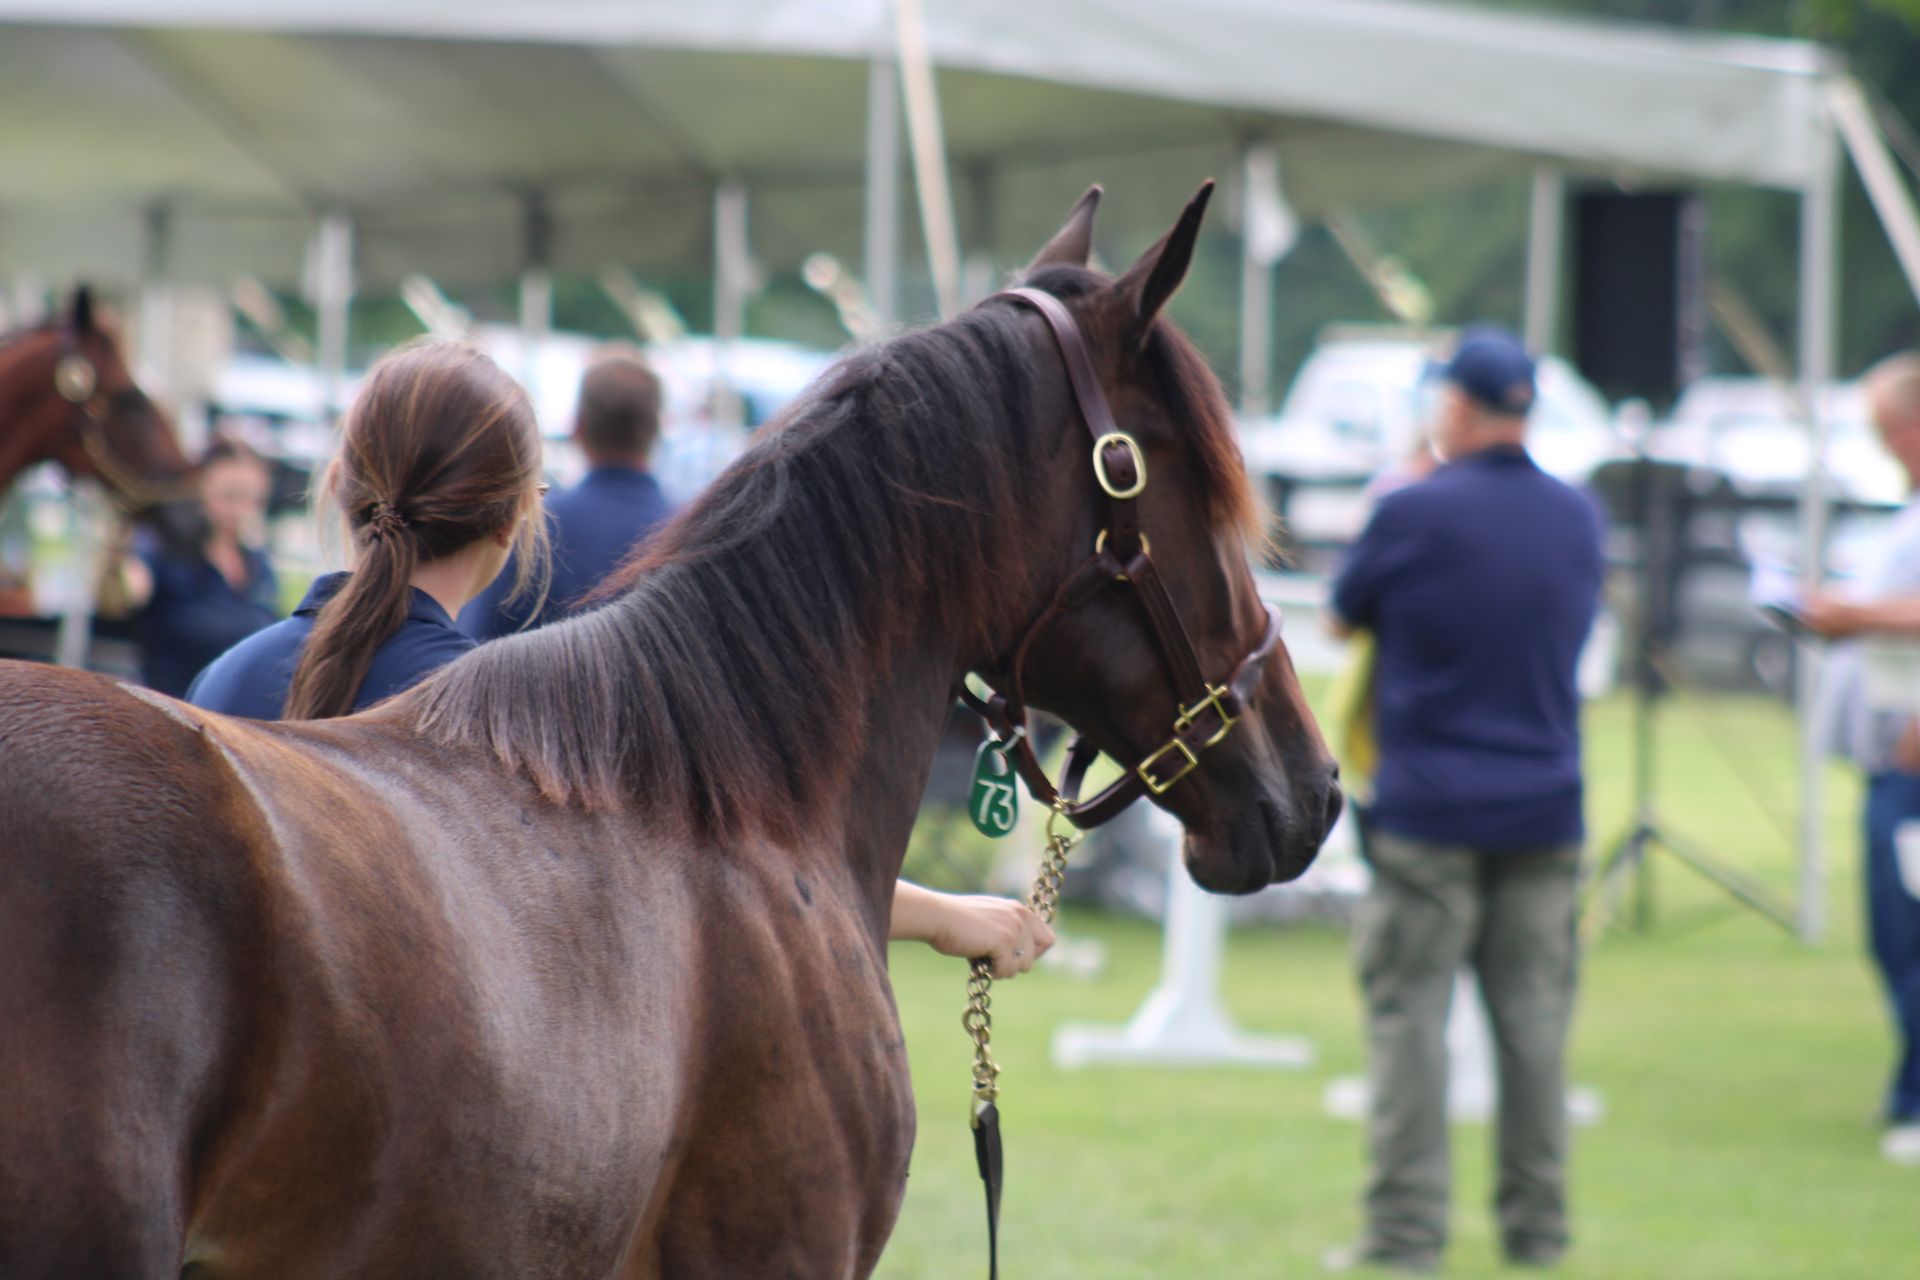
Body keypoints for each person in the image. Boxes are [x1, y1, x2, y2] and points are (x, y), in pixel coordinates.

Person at [190, 338, 1051, 978]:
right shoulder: (492, 729)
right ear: (515, 518)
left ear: (339, 479)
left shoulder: (217, 686)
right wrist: (940, 915)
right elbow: (707, 862)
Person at [1323, 328, 1604, 1273]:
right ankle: (1539, 1236)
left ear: (1453, 407)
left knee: (1410, 1025)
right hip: (1545, 803)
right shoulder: (1579, 516)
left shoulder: (1412, 511)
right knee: (1533, 1033)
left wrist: (1409, 477)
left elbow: (1340, 614)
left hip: (1427, 809)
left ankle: (1403, 1239)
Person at [1802, 351, 1920, 1166]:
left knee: (1911, 934)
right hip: (1888, 753)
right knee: (1892, 935)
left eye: (1885, 428)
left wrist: (1855, 614)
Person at [461, 348, 676, 639]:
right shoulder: (688, 534)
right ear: (657, 429)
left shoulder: (533, 530)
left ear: (578, 426)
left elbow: (476, 651)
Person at [122, 437, 280, 698]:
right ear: (200, 489)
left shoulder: (258, 564)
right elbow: (127, 590)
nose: (239, 511)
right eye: (229, 496)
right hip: (175, 711)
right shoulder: (163, 548)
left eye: (253, 500)